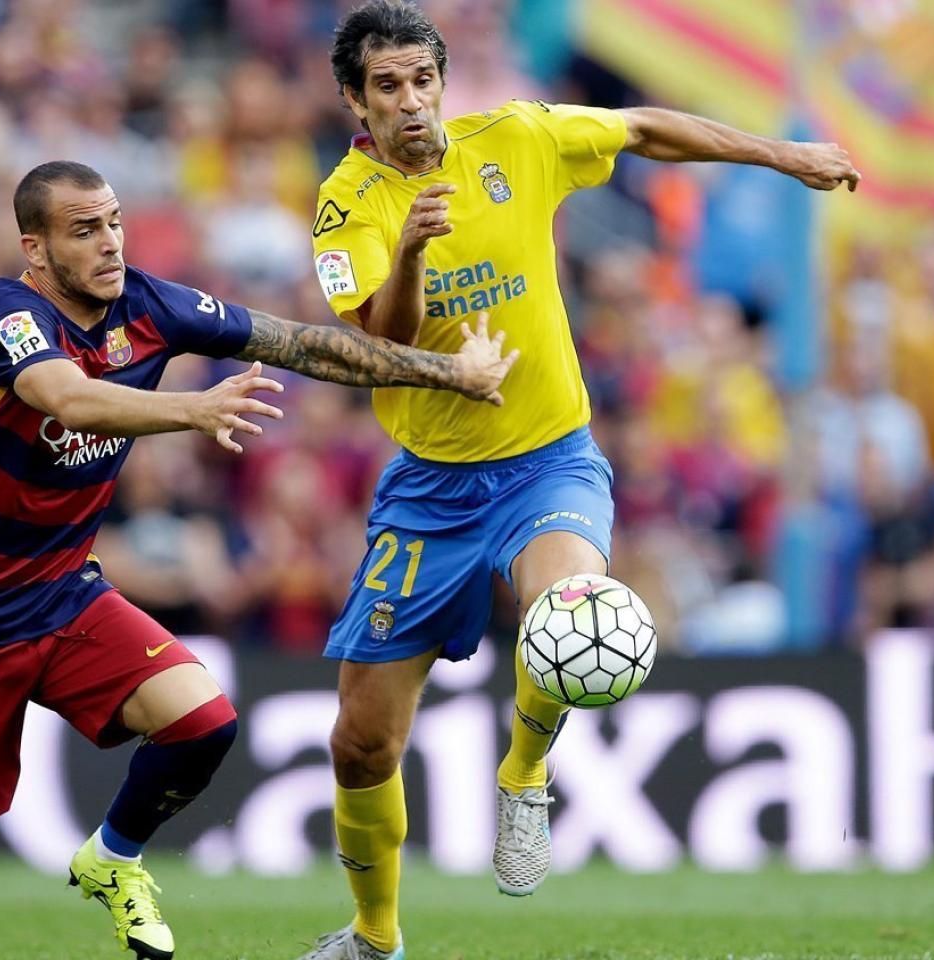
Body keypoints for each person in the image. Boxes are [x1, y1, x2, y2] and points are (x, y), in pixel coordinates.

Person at [0, 159, 516, 960]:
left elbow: (304, 346)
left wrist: (449, 372)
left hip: (65, 596)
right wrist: (191, 410)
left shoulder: (151, 304)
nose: (109, 243)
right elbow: (66, 396)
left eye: (113, 222)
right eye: (83, 230)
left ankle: (111, 859)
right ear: (36, 249)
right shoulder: (9, 313)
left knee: (203, 723)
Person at [300, 4, 858, 958]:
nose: (410, 101)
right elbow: (381, 338)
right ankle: (374, 938)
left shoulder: (516, 138)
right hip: (430, 487)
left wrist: (783, 154)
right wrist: (413, 251)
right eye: (386, 86)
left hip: (547, 459)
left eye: (421, 79)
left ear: (442, 81)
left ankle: (524, 771)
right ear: (355, 99)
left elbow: (643, 128)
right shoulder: (348, 205)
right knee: (360, 743)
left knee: (570, 616)